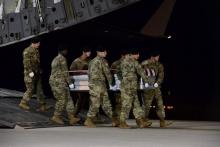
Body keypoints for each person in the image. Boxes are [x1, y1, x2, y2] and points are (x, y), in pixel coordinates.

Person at [84, 45, 116, 128]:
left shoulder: (91, 61)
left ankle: (113, 119)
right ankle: (89, 120)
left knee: (105, 103)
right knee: (98, 103)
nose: (106, 53)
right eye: (104, 51)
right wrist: (112, 83)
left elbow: (89, 74)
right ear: (98, 52)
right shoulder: (103, 61)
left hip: (95, 84)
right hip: (98, 85)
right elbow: (107, 73)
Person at [119, 48, 152, 129]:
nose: (138, 56)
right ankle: (122, 123)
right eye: (137, 54)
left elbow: (120, 74)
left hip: (128, 87)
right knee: (126, 105)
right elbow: (141, 73)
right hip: (129, 87)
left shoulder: (123, 62)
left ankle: (140, 122)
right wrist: (148, 81)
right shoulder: (134, 62)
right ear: (133, 54)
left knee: (136, 105)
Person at [49, 44, 80, 125]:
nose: (67, 52)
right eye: (65, 50)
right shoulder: (62, 59)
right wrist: (70, 83)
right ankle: (56, 116)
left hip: (59, 82)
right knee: (61, 100)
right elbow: (65, 73)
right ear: (62, 50)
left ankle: (71, 117)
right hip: (58, 83)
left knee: (68, 99)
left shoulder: (55, 58)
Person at [141, 49, 172, 127]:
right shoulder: (144, 63)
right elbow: (140, 73)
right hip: (147, 87)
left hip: (156, 87)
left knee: (160, 104)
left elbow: (161, 76)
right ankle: (144, 120)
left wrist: (157, 83)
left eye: (158, 57)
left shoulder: (159, 65)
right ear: (152, 57)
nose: (158, 58)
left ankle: (162, 121)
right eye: (157, 57)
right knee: (146, 105)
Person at [19, 37, 50, 112]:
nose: (39, 45)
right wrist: (30, 72)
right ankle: (23, 102)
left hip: (37, 73)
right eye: (38, 43)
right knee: (31, 89)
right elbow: (26, 63)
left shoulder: (36, 50)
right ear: (33, 43)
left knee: (39, 89)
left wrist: (39, 70)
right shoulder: (27, 51)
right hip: (30, 74)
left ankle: (43, 105)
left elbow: (37, 62)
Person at [69, 46, 91, 116]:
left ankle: (95, 117)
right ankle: (74, 114)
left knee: (93, 100)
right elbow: (71, 72)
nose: (89, 53)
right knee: (81, 100)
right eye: (87, 52)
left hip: (90, 83)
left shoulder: (90, 61)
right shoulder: (76, 61)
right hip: (80, 83)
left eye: (89, 52)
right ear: (83, 52)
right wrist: (71, 84)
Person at [110, 50, 126, 127]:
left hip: (120, 86)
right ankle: (118, 120)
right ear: (123, 55)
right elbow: (111, 74)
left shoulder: (115, 63)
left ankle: (118, 120)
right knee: (119, 104)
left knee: (120, 104)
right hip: (118, 86)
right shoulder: (116, 64)